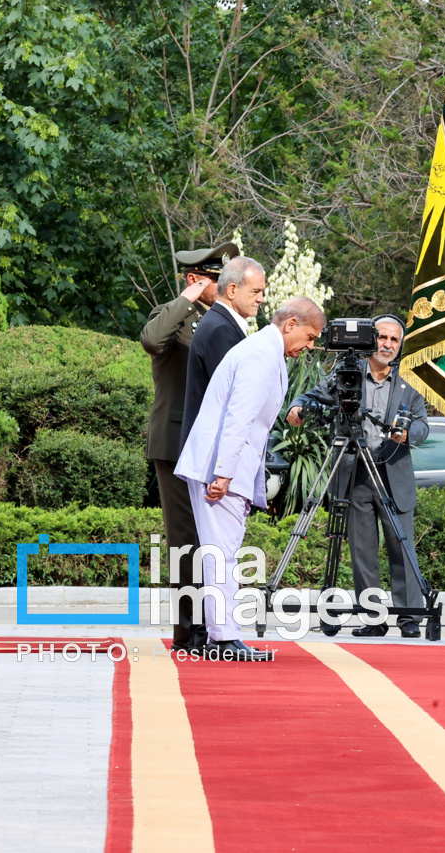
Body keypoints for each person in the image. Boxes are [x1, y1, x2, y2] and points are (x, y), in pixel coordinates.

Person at [176, 297, 325, 661]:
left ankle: (223, 635)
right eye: (308, 337)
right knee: (221, 556)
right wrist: (224, 472)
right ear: (290, 324)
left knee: (223, 554)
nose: (309, 347)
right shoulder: (261, 353)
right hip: (222, 467)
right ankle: (224, 638)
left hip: (227, 466)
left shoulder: (263, 348)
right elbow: (238, 418)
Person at [287, 315, 430, 638]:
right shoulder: (345, 375)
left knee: (401, 549)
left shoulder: (410, 384)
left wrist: (407, 434)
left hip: (393, 474)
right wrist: (296, 409)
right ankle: (373, 617)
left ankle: (408, 618)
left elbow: (423, 425)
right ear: (370, 340)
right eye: (382, 338)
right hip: (354, 475)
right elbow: (309, 398)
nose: (387, 345)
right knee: (363, 552)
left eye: (394, 340)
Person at [140, 242, 233, 652]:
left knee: (208, 539)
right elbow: (151, 340)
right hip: (176, 441)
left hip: (208, 443)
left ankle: (207, 627)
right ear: (196, 279)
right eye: (215, 277)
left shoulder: (219, 321)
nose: (223, 283)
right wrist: (186, 299)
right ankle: (189, 632)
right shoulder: (172, 315)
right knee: (185, 540)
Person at [181, 256, 267, 449]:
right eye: (256, 291)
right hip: (212, 453)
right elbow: (232, 401)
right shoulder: (220, 329)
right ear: (232, 290)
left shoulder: (218, 323)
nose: (261, 299)